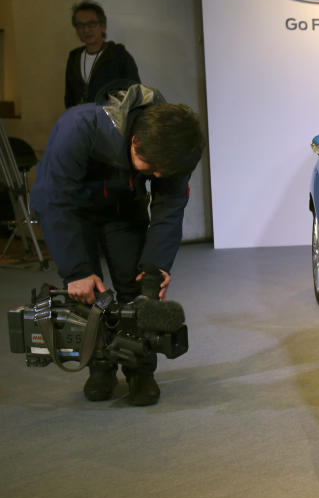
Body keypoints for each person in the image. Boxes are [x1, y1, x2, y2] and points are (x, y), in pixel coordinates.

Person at [31, 84, 204, 406]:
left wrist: (156, 267)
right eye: (150, 168)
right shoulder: (78, 126)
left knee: (135, 290)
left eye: (160, 172)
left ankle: (140, 370)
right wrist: (77, 270)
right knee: (87, 295)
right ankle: (100, 367)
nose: (156, 175)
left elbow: (170, 206)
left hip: (124, 210)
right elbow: (51, 200)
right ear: (135, 142)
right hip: (74, 211)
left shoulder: (179, 145)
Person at [64, 0, 140, 108]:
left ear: (103, 26)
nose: (86, 30)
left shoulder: (118, 55)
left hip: (111, 122)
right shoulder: (74, 57)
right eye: (80, 25)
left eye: (91, 24)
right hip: (81, 122)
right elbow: (69, 97)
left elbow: (134, 92)